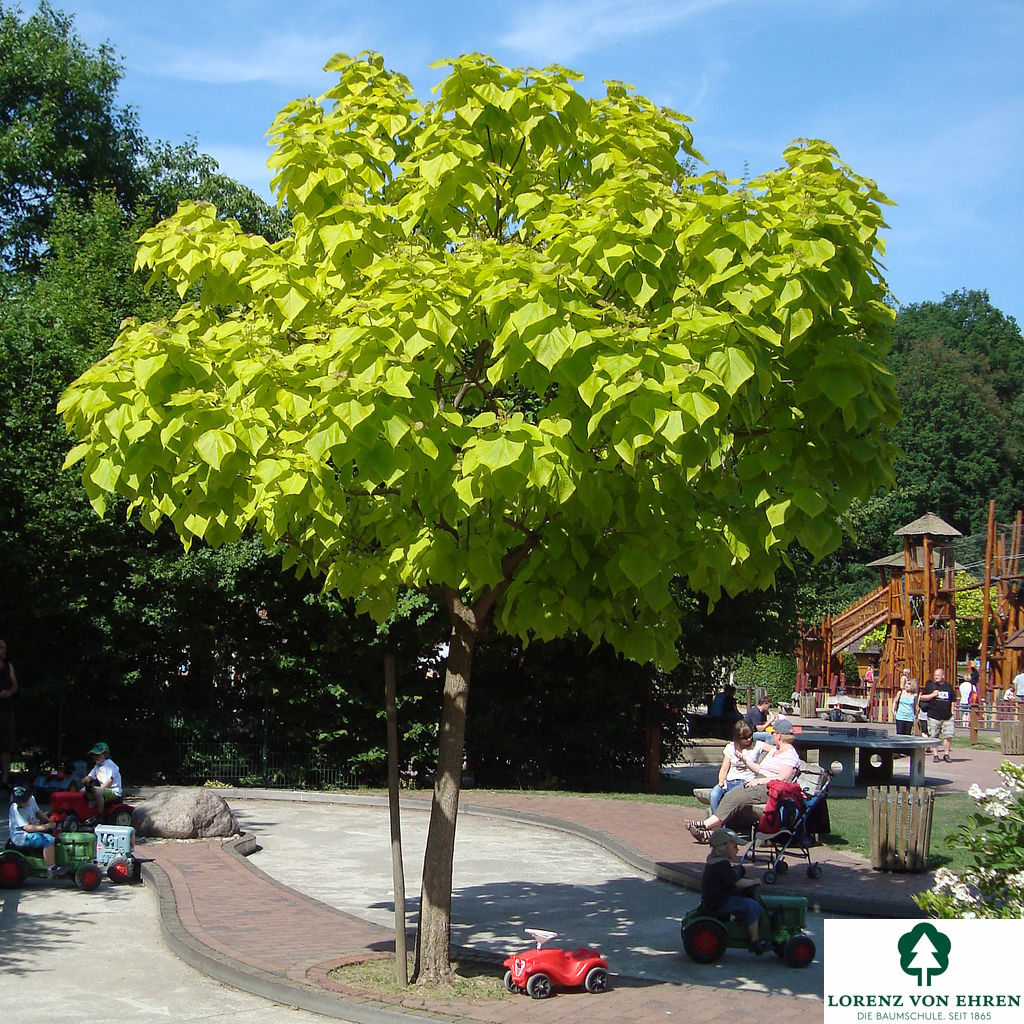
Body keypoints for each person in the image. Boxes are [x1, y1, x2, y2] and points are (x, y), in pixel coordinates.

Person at [686, 719, 801, 839]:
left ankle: (706, 826)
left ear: (779, 735)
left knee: (736, 798)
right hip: (759, 784)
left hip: (771, 789)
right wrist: (745, 761)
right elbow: (760, 769)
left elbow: (782, 779)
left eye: (773, 733)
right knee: (731, 796)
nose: (772, 735)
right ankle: (713, 831)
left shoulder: (789, 754)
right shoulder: (775, 751)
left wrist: (759, 781)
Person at [699, 827, 771, 954]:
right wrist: (754, 882)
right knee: (752, 905)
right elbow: (738, 882)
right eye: (735, 846)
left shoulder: (716, 862)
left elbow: (730, 877)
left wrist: (737, 872)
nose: (737, 849)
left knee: (743, 895)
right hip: (719, 902)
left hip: (717, 897)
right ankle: (755, 941)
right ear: (723, 847)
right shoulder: (721, 865)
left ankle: (743, 923)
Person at [8, 785, 64, 876]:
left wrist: (48, 820)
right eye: (18, 802)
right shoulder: (15, 809)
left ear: (30, 796)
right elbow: (27, 828)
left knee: (53, 835)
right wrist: (46, 826)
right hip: (21, 837)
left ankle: (51, 857)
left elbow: (38, 812)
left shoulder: (32, 800)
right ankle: (52, 868)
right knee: (48, 839)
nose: (21, 804)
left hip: (30, 831)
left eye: (23, 801)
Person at [709, 721, 762, 813]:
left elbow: (776, 748)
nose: (749, 739)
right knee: (713, 795)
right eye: (744, 738)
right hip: (729, 781)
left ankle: (720, 824)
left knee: (729, 797)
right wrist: (721, 780)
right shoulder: (730, 747)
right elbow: (724, 768)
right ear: (737, 738)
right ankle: (718, 824)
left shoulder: (756, 745)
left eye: (750, 735)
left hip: (745, 782)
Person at [919, 668, 955, 763]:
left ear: (943, 676)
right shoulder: (931, 686)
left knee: (948, 735)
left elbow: (953, 700)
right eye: (935, 675)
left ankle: (946, 754)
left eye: (938, 675)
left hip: (947, 716)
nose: (936, 677)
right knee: (934, 735)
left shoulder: (949, 687)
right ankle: (935, 755)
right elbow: (922, 697)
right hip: (934, 715)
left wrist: (952, 712)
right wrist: (932, 695)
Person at [82, 742, 122, 821]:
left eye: (98, 755)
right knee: (82, 791)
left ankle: (99, 815)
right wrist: (85, 780)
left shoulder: (110, 764)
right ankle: (84, 812)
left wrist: (101, 788)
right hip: (103, 789)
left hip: (114, 791)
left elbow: (110, 779)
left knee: (98, 792)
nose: (95, 757)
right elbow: (90, 776)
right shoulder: (97, 766)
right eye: (94, 755)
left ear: (105, 755)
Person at [0, 637, 17, 791]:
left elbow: (14, 685)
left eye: (4, 647)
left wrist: (9, 692)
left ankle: (4, 778)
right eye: (1, 647)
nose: (4, 650)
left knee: (6, 744)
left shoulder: (8, 666)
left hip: (6, 709)